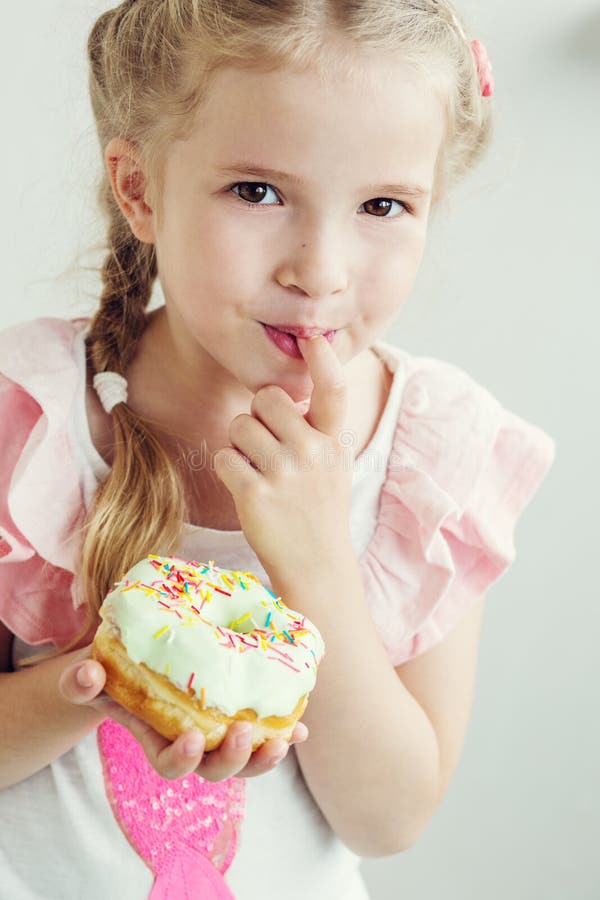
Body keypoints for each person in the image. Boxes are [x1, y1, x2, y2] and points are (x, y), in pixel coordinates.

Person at [0, 2, 554, 898]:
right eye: (258, 192)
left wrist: (317, 561)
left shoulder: (427, 454)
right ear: (139, 188)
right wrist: (104, 685)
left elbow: (389, 818)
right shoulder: (32, 416)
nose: (321, 269)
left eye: (383, 205)